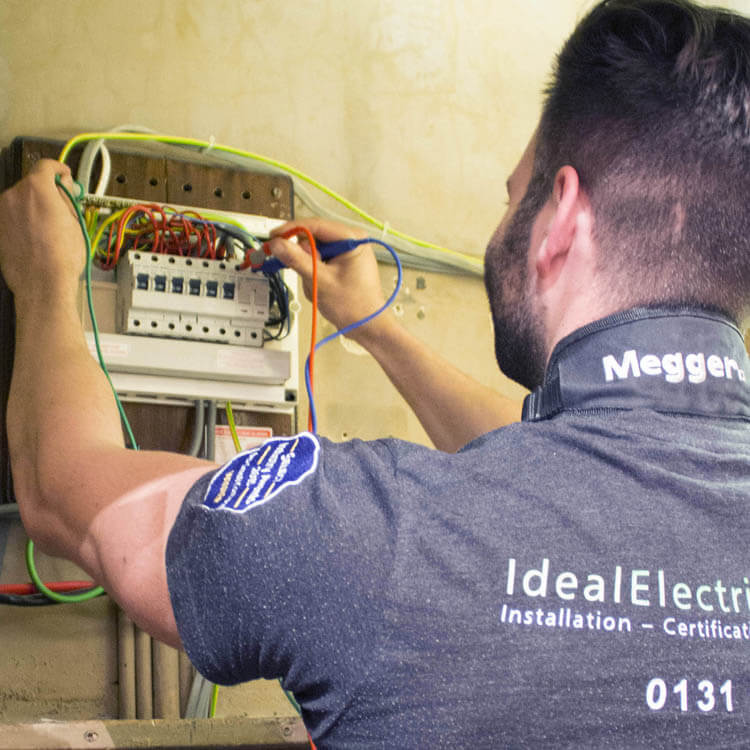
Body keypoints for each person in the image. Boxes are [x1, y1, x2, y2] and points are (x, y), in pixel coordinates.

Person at [1, 0, 749, 745]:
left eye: (512, 198)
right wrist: (375, 327)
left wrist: (44, 279)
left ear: (560, 221)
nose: (502, 229)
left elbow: (62, 486)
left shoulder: (371, 532)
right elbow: (573, 485)